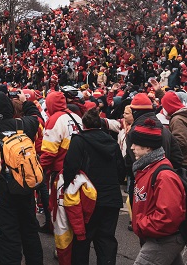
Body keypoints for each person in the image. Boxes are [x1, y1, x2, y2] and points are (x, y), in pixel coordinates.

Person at [0, 90, 43, 265]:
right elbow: (37, 117)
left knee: (8, 233)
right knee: (30, 230)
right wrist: (26, 101)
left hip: (2, 188)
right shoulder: (23, 124)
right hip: (26, 185)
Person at [63, 108, 125, 264]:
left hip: (88, 197)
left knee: (82, 238)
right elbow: (121, 170)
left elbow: (70, 167)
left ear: (83, 125)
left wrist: (67, 188)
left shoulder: (79, 141)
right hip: (111, 197)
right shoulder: (111, 141)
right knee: (106, 239)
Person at [130, 117, 186, 264]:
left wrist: (142, 225)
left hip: (163, 238)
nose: (132, 147)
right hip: (158, 236)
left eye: (136, 144)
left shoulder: (163, 175)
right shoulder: (147, 169)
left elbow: (168, 215)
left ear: (148, 147)